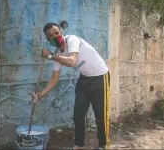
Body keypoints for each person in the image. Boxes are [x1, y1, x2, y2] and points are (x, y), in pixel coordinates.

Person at [32, 22, 110, 150]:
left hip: (100, 77)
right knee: (78, 115)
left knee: (100, 116)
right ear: (48, 39)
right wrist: (41, 94)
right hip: (84, 79)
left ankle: (103, 145)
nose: (54, 36)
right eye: (50, 35)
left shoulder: (72, 39)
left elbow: (73, 61)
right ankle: (79, 144)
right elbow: (54, 78)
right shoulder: (57, 52)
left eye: (56, 33)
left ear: (61, 33)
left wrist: (51, 56)